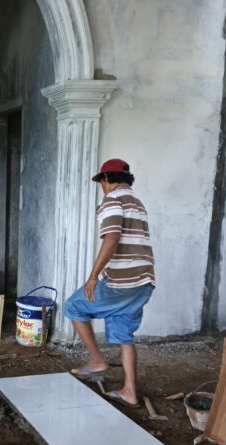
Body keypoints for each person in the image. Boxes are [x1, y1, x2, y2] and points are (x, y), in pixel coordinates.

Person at [63, 159, 155, 408]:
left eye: (101, 182)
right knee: (124, 332)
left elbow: (112, 238)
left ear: (105, 179)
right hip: (144, 282)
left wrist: (94, 276)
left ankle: (97, 361)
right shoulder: (137, 203)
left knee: (73, 307)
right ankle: (130, 391)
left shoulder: (112, 200)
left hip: (122, 281)